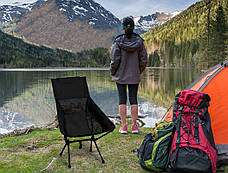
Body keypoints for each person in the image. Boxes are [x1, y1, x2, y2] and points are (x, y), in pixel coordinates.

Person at [110, 16, 148, 134]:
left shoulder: (118, 41)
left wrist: (113, 71)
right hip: (134, 75)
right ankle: (135, 127)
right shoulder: (139, 42)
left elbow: (114, 59)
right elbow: (144, 59)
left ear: (123, 28)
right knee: (133, 100)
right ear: (133, 27)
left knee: (122, 100)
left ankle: (124, 127)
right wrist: (138, 71)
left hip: (120, 75)